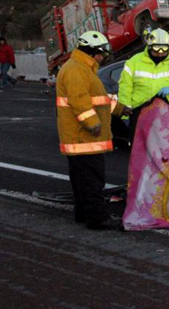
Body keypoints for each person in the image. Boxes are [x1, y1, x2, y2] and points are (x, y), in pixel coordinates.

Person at [56, 31, 129, 230]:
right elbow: (79, 101)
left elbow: (100, 100)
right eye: (101, 53)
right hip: (83, 137)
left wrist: (121, 109)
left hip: (80, 137)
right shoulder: (76, 70)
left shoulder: (82, 68)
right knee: (92, 180)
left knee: (82, 179)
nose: (102, 57)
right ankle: (98, 218)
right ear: (91, 51)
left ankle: (83, 213)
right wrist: (93, 124)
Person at [118, 28, 169, 136]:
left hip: (166, 115)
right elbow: (125, 88)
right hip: (139, 114)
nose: (161, 53)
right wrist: (125, 113)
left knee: (165, 149)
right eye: (157, 48)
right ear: (149, 46)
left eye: (164, 49)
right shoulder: (134, 62)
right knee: (140, 149)